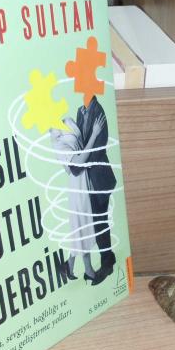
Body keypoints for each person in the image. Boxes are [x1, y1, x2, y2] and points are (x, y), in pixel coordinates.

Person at [50, 115, 105, 283]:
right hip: (78, 185)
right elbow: (76, 164)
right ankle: (89, 271)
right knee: (82, 227)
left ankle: (68, 266)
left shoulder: (67, 120)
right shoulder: (57, 139)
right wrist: (94, 134)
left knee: (80, 228)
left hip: (85, 180)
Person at [73, 95, 116, 286]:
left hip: (100, 179)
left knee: (100, 224)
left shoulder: (99, 111)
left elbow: (98, 148)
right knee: (94, 224)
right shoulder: (80, 111)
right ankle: (107, 258)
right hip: (87, 182)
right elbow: (79, 143)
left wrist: (80, 162)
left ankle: (108, 264)